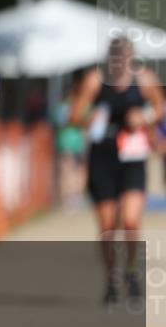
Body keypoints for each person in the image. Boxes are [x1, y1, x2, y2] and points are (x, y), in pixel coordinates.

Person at [70, 37, 164, 304]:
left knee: (131, 220)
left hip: (133, 157)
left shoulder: (144, 79)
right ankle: (112, 277)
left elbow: (160, 107)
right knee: (108, 225)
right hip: (104, 156)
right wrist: (92, 118)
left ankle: (132, 271)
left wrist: (144, 118)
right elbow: (75, 115)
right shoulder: (95, 80)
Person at [54, 69, 89, 206]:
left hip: (78, 143)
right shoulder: (63, 106)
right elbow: (61, 121)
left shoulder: (82, 106)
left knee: (78, 171)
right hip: (66, 143)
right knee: (67, 171)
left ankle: (76, 196)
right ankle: (67, 198)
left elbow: (87, 122)